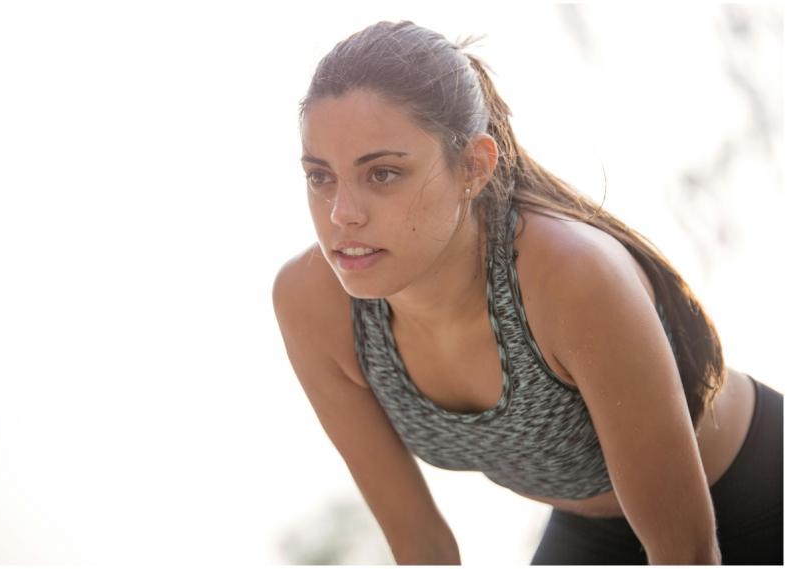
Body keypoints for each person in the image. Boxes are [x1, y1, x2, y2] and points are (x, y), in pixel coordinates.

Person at [272, 20, 783, 565]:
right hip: (591, 528)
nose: (341, 215)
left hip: (755, 496)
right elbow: (421, 545)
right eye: (320, 177)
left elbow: (687, 551)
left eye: (383, 175)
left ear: (474, 166)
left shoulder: (570, 277)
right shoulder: (313, 304)